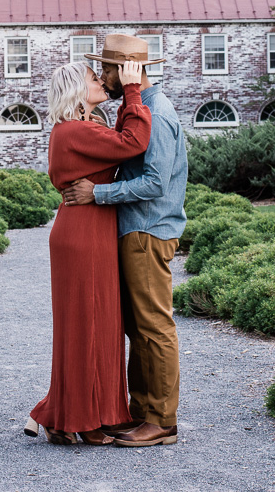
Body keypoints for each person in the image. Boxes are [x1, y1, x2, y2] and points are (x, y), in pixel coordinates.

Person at [62, 34, 188, 448]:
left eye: (106, 69)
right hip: (134, 229)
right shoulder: (138, 109)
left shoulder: (158, 111)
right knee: (137, 328)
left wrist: (96, 194)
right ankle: (141, 412)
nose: (101, 76)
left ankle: (162, 421)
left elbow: (153, 183)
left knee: (154, 326)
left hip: (148, 230)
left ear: (125, 70)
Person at [24, 59, 151, 446]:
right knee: (84, 326)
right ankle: (79, 417)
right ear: (78, 91)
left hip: (91, 229)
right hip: (81, 235)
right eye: (95, 79)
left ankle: (72, 416)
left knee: (101, 324)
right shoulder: (73, 131)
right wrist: (132, 91)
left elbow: (121, 141)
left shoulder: (85, 128)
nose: (101, 82)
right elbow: (134, 142)